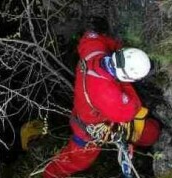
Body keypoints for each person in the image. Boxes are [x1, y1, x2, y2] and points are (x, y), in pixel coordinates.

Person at [43, 30, 161, 178]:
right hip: (90, 129)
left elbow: (89, 36)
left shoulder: (93, 53)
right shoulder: (107, 94)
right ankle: (50, 175)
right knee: (77, 160)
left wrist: (117, 47)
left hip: (88, 110)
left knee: (150, 131)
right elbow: (131, 109)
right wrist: (126, 84)